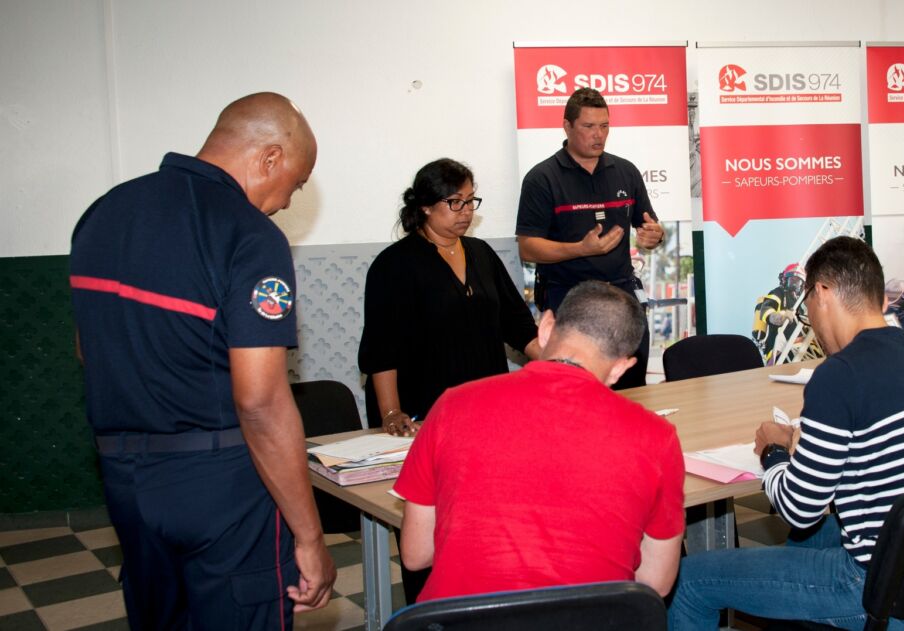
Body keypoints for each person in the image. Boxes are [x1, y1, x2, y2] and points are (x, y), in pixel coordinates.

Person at [69, 93, 335, 629]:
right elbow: (259, 401)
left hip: (123, 478)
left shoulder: (103, 212)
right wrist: (310, 537)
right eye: (297, 183)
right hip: (222, 485)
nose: (288, 202)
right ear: (270, 158)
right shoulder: (249, 234)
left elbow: (86, 348)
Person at [669, 237, 904, 631]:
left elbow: (798, 509)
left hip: (878, 591)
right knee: (812, 539)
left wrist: (773, 451)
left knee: (690, 581)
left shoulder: (840, 375)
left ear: (822, 292)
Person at [392, 281, 684, 602]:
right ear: (621, 368)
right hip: (593, 620)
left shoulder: (451, 406)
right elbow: (655, 582)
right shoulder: (656, 436)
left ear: (545, 328)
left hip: (463, 620)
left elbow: (416, 554)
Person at [357, 158, 540, 602]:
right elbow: (382, 348)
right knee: (431, 530)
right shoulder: (394, 264)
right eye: (454, 202)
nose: (465, 211)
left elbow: (519, 326)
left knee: (488, 520)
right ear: (425, 206)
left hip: (485, 410)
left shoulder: (480, 254)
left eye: (470, 201)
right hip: (425, 413)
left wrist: (562, 369)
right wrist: (391, 411)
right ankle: (429, 612)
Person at [516, 87, 664, 389]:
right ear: (567, 126)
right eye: (588, 126)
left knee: (631, 386)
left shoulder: (626, 171)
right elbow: (528, 248)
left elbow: (649, 226)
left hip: (621, 296)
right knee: (576, 389)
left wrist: (654, 236)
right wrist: (580, 249)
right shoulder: (542, 178)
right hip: (569, 300)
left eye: (604, 126)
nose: (598, 135)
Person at [752, 263, 804, 364]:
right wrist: (780, 317)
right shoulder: (779, 292)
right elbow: (766, 310)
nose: (794, 284)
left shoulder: (800, 303)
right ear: (784, 280)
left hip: (799, 346)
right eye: (792, 280)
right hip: (779, 350)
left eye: (798, 282)